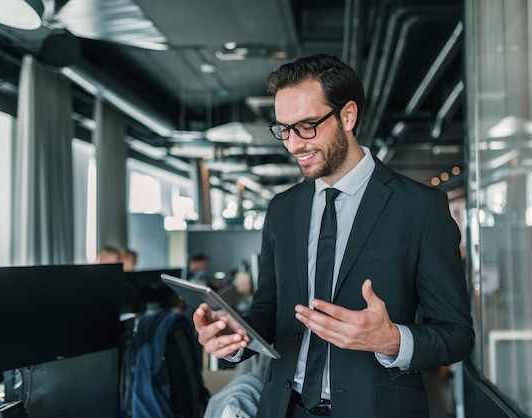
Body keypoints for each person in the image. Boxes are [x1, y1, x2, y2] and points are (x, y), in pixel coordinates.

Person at [193, 54, 474, 418]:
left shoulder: (420, 208)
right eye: (284, 129)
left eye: (307, 126)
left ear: (348, 116)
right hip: (283, 408)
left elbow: (457, 334)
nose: (294, 144)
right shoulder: (282, 209)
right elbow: (269, 309)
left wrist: (393, 340)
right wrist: (234, 337)